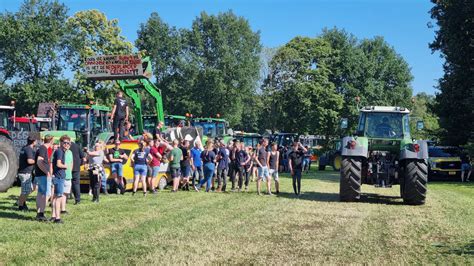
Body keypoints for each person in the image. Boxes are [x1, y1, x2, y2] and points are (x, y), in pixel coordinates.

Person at [51, 135, 71, 224]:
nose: (66, 144)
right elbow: (58, 164)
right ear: (61, 142)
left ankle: (54, 216)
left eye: (68, 143)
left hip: (58, 176)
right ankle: (57, 218)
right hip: (59, 177)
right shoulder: (60, 151)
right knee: (58, 197)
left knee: (55, 197)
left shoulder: (60, 151)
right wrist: (66, 166)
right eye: (65, 142)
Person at [35, 135, 53, 222]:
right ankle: (40, 213)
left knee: (40, 193)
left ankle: (39, 213)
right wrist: (46, 172)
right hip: (43, 175)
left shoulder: (42, 148)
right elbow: (39, 161)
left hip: (40, 174)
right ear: (51, 141)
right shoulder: (43, 148)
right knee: (46, 194)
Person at [17, 136, 36, 211]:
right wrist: (38, 161)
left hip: (23, 172)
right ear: (34, 141)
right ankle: (21, 205)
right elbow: (29, 161)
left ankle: (22, 202)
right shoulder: (29, 149)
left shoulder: (24, 148)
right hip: (25, 173)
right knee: (26, 191)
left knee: (28, 189)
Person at [69, 141, 85, 205]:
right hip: (76, 167)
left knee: (66, 183)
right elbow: (83, 157)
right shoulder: (77, 146)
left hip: (67, 167)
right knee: (76, 184)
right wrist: (80, 164)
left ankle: (65, 198)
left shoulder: (64, 146)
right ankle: (77, 199)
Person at [61, 146, 73, 214]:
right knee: (59, 194)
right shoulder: (59, 152)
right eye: (65, 143)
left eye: (68, 143)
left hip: (68, 175)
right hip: (60, 176)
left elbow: (71, 163)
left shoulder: (70, 152)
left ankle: (63, 209)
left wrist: (70, 172)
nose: (67, 145)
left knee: (65, 193)